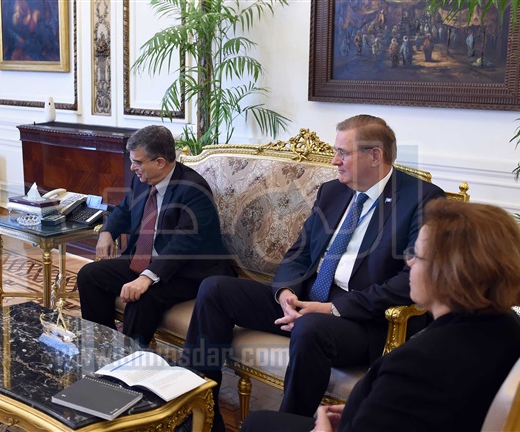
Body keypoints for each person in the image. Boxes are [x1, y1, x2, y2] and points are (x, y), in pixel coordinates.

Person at [179, 114, 446, 430]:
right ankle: (200, 415)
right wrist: (286, 293)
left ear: (375, 155)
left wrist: (332, 309)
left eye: (343, 153)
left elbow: (410, 279)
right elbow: (300, 252)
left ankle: (288, 425)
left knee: (311, 328)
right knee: (215, 289)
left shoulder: (422, 199)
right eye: (336, 151)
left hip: (362, 319)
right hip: (307, 299)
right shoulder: (332, 192)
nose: (334, 161)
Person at [241, 200, 520, 431]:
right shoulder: (511, 328)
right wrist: (368, 409)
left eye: (416, 255)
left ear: (448, 273)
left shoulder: (416, 363)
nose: (409, 263)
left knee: (258, 423)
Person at [77, 125, 234, 346]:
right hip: (147, 260)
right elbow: (124, 209)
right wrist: (107, 232)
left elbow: (184, 244)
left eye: (138, 162)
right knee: (90, 275)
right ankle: (102, 348)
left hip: (188, 271)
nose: (132, 167)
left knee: (143, 298)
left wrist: (146, 278)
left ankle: (127, 359)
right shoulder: (142, 180)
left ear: (160, 162)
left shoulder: (193, 190)